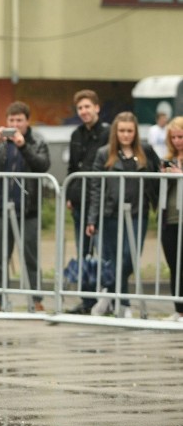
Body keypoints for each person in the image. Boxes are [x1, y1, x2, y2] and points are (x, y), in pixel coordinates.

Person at [0, 101, 50, 312]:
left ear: (27, 121)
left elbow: (42, 166)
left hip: (28, 210)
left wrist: (23, 146)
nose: (15, 124)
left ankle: (36, 300)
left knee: (30, 258)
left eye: (19, 120)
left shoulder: (36, 141)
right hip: (0, 208)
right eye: (11, 120)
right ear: (5, 122)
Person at [86, 112, 159, 318]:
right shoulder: (104, 154)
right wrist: (92, 218)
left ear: (135, 132)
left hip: (138, 213)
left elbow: (158, 173)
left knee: (129, 257)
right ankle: (123, 303)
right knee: (111, 260)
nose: (125, 135)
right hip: (110, 214)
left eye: (129, 131)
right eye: (121, 131)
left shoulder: (145, 151)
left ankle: (109, 292)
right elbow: (95, 187)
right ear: (115, 132)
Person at [64, 90, 110, 314]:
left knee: (104, 252)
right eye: (80, 108)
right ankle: (87, 299)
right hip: (80, 200)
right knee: (84, 252)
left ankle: (110, 297)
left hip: (101, 201)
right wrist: (69, 194)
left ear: (97, 108)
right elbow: (72, 167)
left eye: (87, 107)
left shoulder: (108, 133)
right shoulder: (76, 135)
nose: (84, 111)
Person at [160, 116, 183, 322]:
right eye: (173, 137)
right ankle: (178, 309)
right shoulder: (167, 158)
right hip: (170, 219)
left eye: (180, 136)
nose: (177, 141)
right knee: (173, 264)